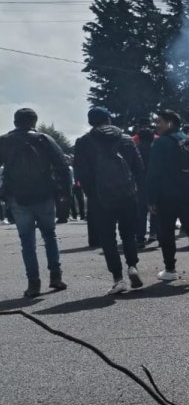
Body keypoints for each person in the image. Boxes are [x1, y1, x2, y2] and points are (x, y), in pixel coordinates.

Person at [74, 107, 146, 294]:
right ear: (109, 119)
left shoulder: (83, 142)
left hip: (101, 198)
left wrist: (92, 194)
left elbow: (81, 173)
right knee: (128, 234)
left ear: (91, 122)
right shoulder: (127, 139)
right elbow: (139, 169)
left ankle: (118, 278)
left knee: (108, 238)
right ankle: (132, 266)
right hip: (128, 195)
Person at [0, 108, 71, 298]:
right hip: (44, 194)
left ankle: (33, 283)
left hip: (18, 197)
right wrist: (65, 192)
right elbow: (62, 166)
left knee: (27, 242)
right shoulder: (44, 139)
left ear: (15, 122)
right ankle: (55, 277)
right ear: (34, 122)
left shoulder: (4, 141)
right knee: (49, 235)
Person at [144, 110, 189, 284]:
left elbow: (153, 173)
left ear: (170, 123)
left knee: (167, 233)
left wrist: (151, 199)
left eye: (160, 122)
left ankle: (170, 269)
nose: (157, 125)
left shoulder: (161, 143)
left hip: (167, 195)